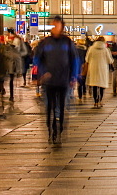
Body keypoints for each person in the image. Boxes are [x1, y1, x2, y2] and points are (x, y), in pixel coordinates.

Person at [33, 16, 80, 144]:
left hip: (64, 80)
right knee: (49, 107)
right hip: (48, 80)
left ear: (62, 26)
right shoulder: (45, 42)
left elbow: (75, 60)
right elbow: (37, 59)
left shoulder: (67, 42)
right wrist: (40, 74)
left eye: (57, 25)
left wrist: (74, 77)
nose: (55, 27)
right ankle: (50, 127)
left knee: (61, 105)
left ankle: (60, 130)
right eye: (53, 25)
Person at [85, 36, 113, 108]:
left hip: (93, 68)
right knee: (101, 86)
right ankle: (100, 101)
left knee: (94, 86)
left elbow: (87, 59)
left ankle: (95, 101)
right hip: (103, 69)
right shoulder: (106, 50)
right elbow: (110, 61)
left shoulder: (91, 48)